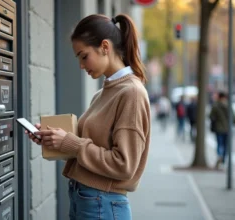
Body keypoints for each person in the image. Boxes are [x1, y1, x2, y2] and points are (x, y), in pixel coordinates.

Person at [26, 14, 150, 220]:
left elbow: (124, 165)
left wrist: (72, 143)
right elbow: (87, 148)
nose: (81, 66)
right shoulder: (102, 94)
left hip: (103, 203)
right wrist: (55, 141)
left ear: (104, 47)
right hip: (85, 199)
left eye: (84, 56)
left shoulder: (132, 93)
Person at [209, 91, 235, 169]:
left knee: (219, 144)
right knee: (226, 145)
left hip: (219, 128)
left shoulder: (216, 105)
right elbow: (233, 117)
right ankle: (223, 160)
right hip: (227, 129)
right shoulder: (228, 105)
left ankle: (219, 156)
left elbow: (211, 116)